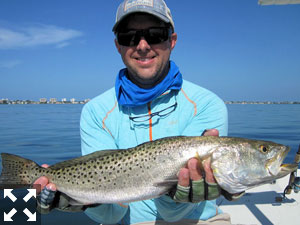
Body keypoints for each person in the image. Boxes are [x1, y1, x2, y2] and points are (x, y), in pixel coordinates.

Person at [35, 0, 243, 224]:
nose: (143, 45)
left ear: (172, 41)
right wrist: (83, 200)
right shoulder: (96, 112)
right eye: (129, 37)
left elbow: (174, 214)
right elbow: (111, 215)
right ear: (118, 46)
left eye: (155, 34)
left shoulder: (207, 104)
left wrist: (178, 197)